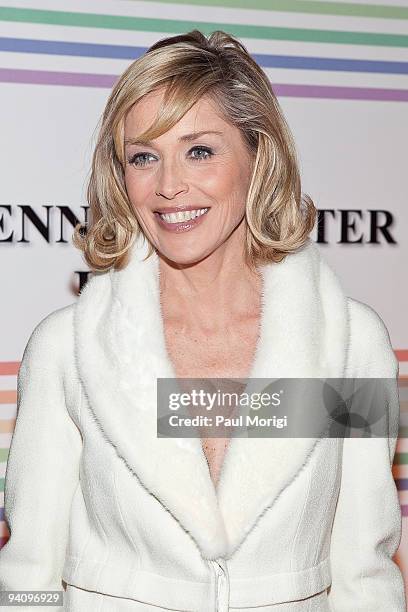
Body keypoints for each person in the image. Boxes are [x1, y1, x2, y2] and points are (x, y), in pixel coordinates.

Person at [0, 29, 405, 612]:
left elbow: (364, 572)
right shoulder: (68, 348)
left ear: (258, 157)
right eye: (144, 156)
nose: (169, 187)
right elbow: (28, 575)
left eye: (200, 150)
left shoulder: (348, 345)